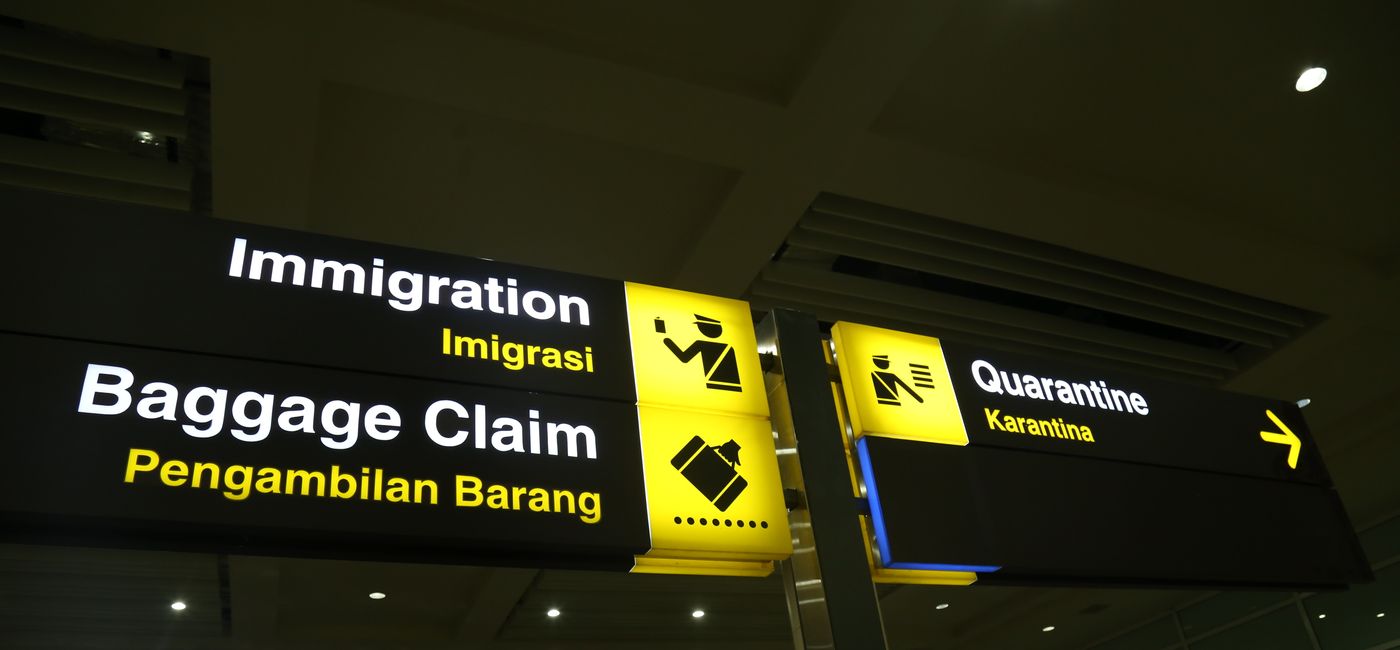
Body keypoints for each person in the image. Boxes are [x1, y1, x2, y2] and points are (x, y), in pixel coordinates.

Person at [662, 314, 742, 392]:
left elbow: (684, 358)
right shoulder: (729, 347)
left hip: (714, 386)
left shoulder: (701, 344)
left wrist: (667, 341)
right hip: (735, 387)